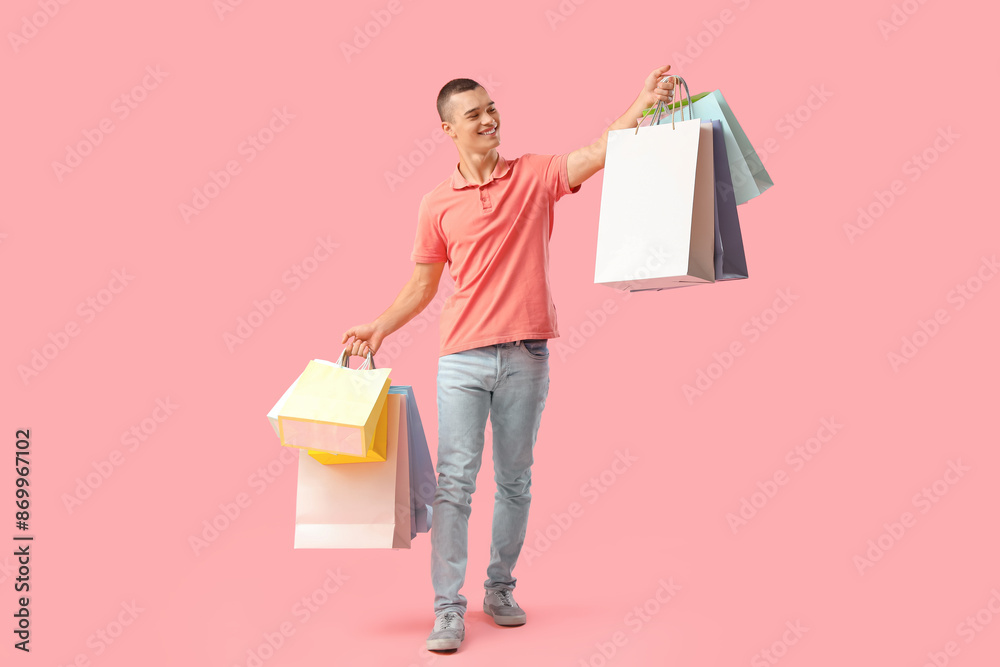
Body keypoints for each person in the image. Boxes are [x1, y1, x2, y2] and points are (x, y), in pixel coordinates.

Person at [341, 65, 676, 652]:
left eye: (491, 108)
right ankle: (448, 609)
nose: (489, 119)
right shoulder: (435, 204)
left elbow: (601, 151)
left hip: (526, 356)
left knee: (515, 481)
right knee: (455, 485)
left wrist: (643, 102)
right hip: (462, 360)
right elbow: (422, 286)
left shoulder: (534, 175)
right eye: (474, 114)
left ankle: (499, 588)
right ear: (448, 129)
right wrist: (379, 326)